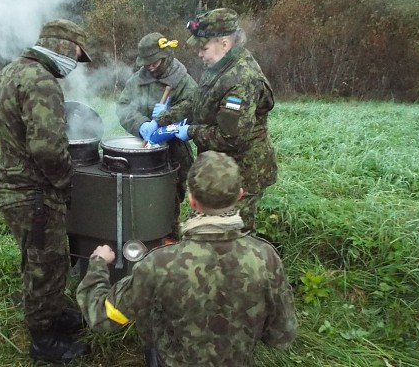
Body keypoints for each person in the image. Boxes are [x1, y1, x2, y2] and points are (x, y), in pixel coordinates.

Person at [76, 151, 297, 367]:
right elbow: (282, 335)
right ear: (240, 194)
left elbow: (102, 317)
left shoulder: (160, 263)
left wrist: (98, 264)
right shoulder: (266, 257)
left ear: (191, 200)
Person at [0, 19, 92, 363]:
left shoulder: (11, 71)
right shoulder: (41, 80)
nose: (77, 62)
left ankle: (54, 313)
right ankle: (44, 339)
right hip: (32, 191)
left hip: (14, 184)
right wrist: (67, 180)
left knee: (45, 257)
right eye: (78, 54)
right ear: (64, 46)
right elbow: (48, 149)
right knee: (44, 264)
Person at [174, 8, 278, 233]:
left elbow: (230, 137)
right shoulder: (218, 66)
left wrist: (190, 131)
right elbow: (199, 103)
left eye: (203, 48)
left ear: (224, 43)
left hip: (242, 172)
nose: (199, 54)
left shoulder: (241, 78)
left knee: (232, 236)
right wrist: (165, 118)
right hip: (219, 166)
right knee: (207, 229)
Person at [116, 32, 197, 235]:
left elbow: (196, 108)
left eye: (154, 62)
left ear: (166, 55)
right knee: (138, 202)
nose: (150, 66)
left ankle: (166, 242)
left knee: (168, 206)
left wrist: (169, 117)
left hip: (173, 153)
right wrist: (141, 124)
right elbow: (123, 107)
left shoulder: (183, 81)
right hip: (141, 152)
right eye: (146, 62)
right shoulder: (137, 80)